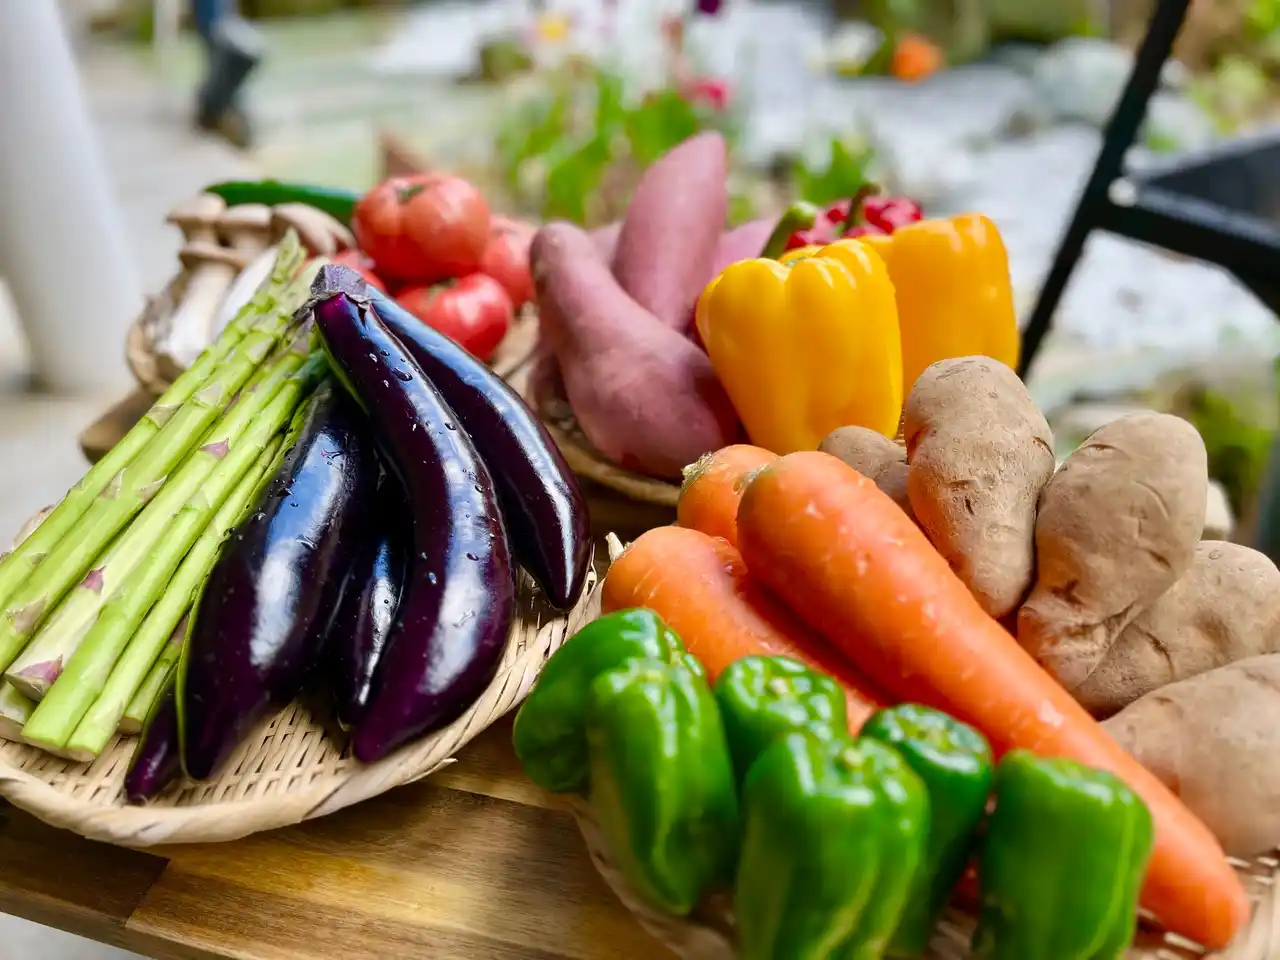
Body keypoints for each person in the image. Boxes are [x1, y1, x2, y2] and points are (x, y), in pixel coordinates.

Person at [191, 0, 264, 149]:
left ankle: (215, 114)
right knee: (232, 60)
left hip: (224, 22)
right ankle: (211, 114)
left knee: (236, 61)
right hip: (213, 24)